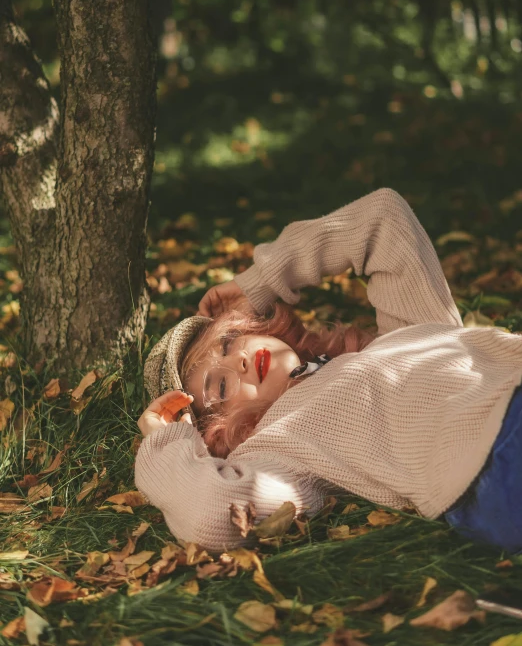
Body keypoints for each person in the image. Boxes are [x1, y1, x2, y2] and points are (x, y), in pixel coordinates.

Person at [135, 188, 522, 554]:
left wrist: (260, 281)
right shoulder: (280, 447)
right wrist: (168, 442)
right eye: (220, 384)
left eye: (229, 342)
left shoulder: (404, 331)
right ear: (220, 436)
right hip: (495, 462)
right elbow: (213, 513)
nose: (238, 360)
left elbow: (383, 218)